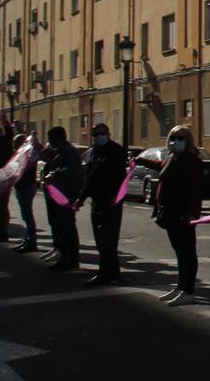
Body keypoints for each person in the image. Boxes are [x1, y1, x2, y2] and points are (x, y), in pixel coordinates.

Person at [153, 125, 205, 304]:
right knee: (179, 252)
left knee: (187, 252)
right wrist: (140, 161)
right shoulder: (172, 157)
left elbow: (194, 189)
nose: (176, 141)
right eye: (173, 137)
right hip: (170, 212)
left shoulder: (189, 160)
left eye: (181, 138)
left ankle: (188, 290)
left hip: (182, 214)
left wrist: (191, 213)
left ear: (188, 141)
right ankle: (181, 285)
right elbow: (159, 166)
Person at [82, 122, 130, 286]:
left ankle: (105, 273)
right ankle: (113, 272)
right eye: (95, 135)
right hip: (97, 200)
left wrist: (115, 197)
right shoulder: (93, 152)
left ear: (108, 134)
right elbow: (90, 178)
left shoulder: (116, 151)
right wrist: (81, 199)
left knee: (107, 239)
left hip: (111, 201)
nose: (99, 137)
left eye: (102, 133)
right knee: (101, 239)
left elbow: (119, 177)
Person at [40, 126, 85, 271]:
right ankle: (65, 257)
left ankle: (71, 259)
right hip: (58, 194)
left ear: (58, 139)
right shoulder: (59, 152)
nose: (49, 142)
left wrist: (55, 174)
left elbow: (73, 171)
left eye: (51, 139)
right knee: (60, 227)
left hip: (65, 196)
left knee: (67, 228)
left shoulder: (69, 152)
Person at [12, 130, 40, 253]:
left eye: (16, 143)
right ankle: (28, 239)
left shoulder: (27, 155)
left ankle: (31, 241)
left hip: (26, 186)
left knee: (27, 214)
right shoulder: (19, 155)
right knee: (25, 214)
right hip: (21, 186)